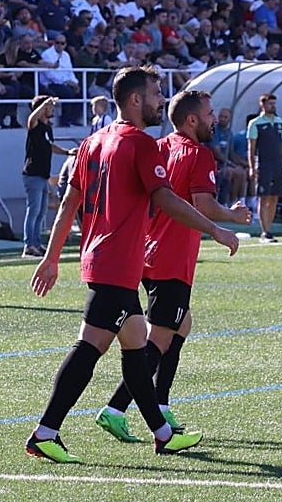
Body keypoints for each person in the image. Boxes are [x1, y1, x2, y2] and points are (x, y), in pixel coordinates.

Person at [25, 66, 241, 464]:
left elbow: (69, 206)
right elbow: (167, 199)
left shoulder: (93, 142)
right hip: (118, 262)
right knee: (90, 348)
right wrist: (216, 229)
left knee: (136, 343)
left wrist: (52, 257)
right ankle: (45, 431)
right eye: (157, 93)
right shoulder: (142, 144)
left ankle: (160, 432)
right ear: (137, 99)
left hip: (106, 260)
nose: (162, 100)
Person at [95, 90, 252, 442]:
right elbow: (204, 203)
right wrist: (231, 218)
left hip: (147, 252)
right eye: (210, 114)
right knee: (158, 340)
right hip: (172, 256)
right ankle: (115, 409)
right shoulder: (198, 154)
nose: (215, 119)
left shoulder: (160, 146)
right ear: (192, 119)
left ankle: (162, 403)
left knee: (181, 323)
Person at [21, 95, 75, 258]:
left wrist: (67, 152)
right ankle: (28, 245)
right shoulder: (35, 125)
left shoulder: (47, 128)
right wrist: (44, 103)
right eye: (50, 107)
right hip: (33, 174)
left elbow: (50, 146)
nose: (52, 110)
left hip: (43, 175)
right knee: (33, 210)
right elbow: (31, 119)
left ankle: (36, 243)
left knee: (41, 211)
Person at [247, 93, 282, 242]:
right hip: (264, 164)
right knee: (264, 197)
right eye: (270, 104)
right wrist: (251, 167)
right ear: (262, 105)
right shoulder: (255, 123)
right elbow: (252, 147)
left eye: (274, 104)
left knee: (274, 197)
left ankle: (269, 229)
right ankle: (264, 231)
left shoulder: (279, 121)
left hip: (277, 164)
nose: (273, 106)